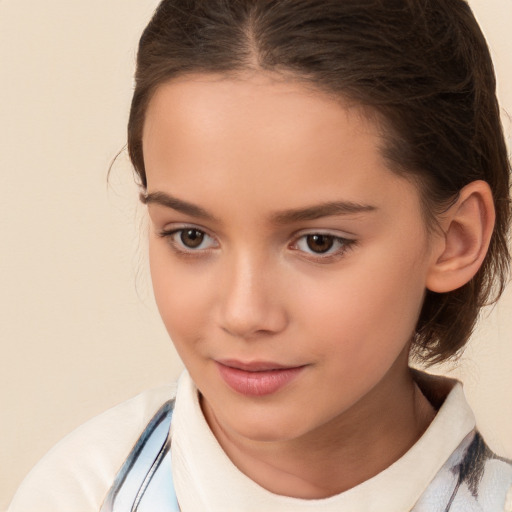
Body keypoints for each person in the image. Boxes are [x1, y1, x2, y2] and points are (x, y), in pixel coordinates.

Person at [8, 0, 512, 511]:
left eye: (319, 243)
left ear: (456, 239)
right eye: (190, 236)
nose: (244, 314)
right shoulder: (76, 493)